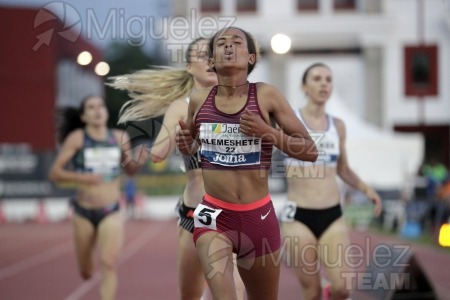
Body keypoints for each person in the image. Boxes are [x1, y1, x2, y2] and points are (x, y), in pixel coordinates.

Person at [176, 27, 318, 300]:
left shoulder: (267, 96)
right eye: (221, 44)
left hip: (258, 217)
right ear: (212, 61)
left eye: (236, 42)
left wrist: (269, 133)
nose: (228, 47)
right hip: (213, 216)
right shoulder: (199, 99)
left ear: (251, 58)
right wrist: (185, 145)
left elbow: (310, 151)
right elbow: (194, 144)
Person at [109, 37, 246, 300]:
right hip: (195, 215)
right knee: (190, 295)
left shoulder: (240, 104)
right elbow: (159, 152)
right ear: (188, 67)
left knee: (234, 293)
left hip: (233, 214)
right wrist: (138, 154)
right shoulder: (179, 107)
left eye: (213, 53)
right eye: (201, 55)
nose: (208, 59)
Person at [279, 63, 383, 300]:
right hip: (297, 217)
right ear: (304, 86)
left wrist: (367, 190)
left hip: (332, 215)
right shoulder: (288, 121)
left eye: (328, 79)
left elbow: (343, 168)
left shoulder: (338, 126)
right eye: (317, 79)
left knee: (342, 289)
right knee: (311, 291)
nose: (324, 83)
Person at [48, 95, 148, 300]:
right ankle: (86, 268)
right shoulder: (77, 138)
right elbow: (55, 173)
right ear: (84, 116)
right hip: (83, 211)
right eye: (91, 108)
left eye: (100, 106)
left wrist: (138, 162)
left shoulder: (119, 137)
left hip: (110, 210)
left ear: (106, 111)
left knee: (109, 264)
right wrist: (82, 177)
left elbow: (130, 171)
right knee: (86, 272)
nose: (97, 110)